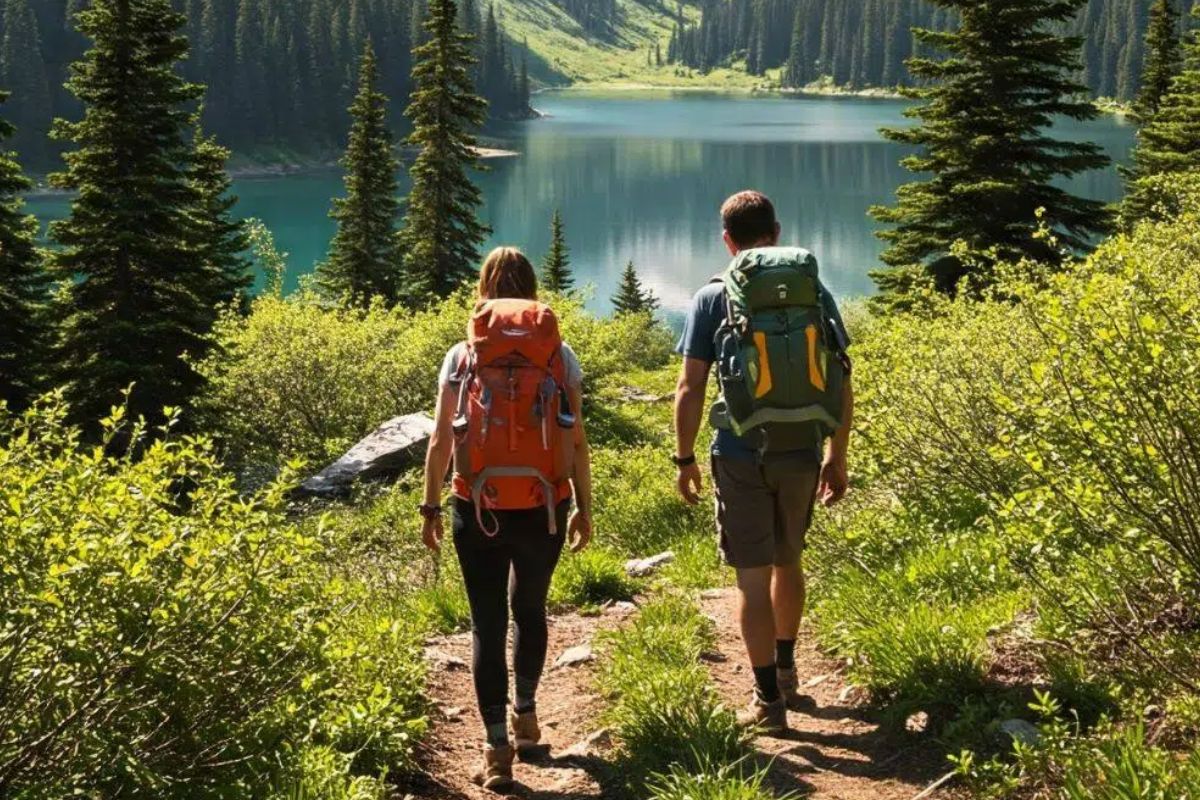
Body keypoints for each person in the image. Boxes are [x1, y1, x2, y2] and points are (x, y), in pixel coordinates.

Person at [672, 191, 854, 735]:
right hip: (802, 448)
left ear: (726, 240)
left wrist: (683, 459)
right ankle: (790, 664)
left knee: (752, 580)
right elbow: (841, 377)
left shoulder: (711, 298)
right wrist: (835, 455)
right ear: (775, 233)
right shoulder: (812, 291)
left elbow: (690, 387)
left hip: (739, 451)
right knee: (789, 560)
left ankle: (768, 698)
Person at [420, 247, 594, 791]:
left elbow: (441, 438)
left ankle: (496, 748)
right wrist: (585, 507)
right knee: (531, 610)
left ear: (483, 289)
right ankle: (526, 716)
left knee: (487, 622)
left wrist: (429, 506)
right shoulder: (559, 356)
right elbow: (579, 440)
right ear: (533, 290)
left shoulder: (462, 356)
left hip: (478, 505)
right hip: (545, 504)